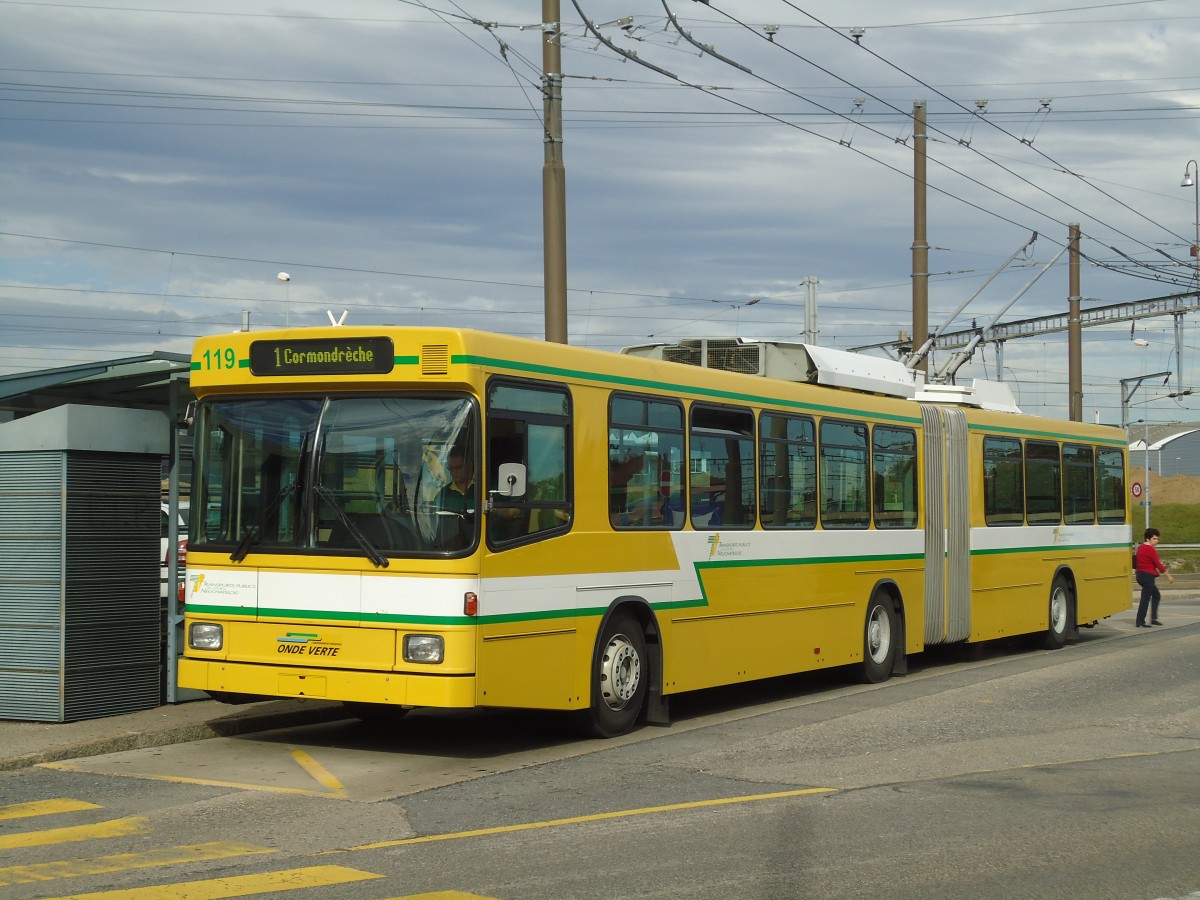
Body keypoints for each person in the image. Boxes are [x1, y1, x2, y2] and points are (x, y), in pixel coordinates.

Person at [1134, 527, 1174, 628]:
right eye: (1154, 539)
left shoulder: (1141, 548)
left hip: (1140, 575)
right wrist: (1168, 576)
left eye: (1157, 539)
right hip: (1147, 576)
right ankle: (1140, 621)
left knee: (1156, 595)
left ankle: (1153, 619)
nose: (1157, 541)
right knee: (1145, 599)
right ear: (1148, 539)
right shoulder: (1150, 549)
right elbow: (1158, 564)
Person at [435, 448, 476, 549]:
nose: (454, 472)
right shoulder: (443, 495)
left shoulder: (484, 489)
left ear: (470, 465)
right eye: (451, 468)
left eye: (458, 467)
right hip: (452, 550)